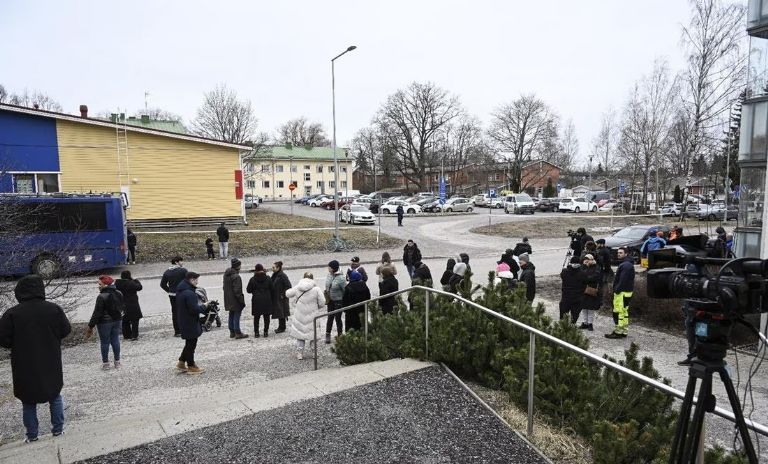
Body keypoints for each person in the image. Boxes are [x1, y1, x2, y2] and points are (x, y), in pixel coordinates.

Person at [0, 275, 71, 443]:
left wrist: (17, 344)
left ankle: (32, 435)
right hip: (50, 359)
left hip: (24, 363)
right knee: (54, 394)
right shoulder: (54, 309)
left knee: (28, 399)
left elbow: (3, 339)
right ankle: (58, 430)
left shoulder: (12, 314)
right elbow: (66, 330)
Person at [86, 275, 124, 370]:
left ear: (106, 284)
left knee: (104, 342)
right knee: (115, 340)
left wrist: (90, 326)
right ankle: (117, 362)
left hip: (104, 323)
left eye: (100, 284)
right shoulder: (119, 293)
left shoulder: (101, 296)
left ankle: (106, 363)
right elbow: (123, 307)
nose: (98, 286)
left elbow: (97, 313)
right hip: (116, 320)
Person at [175, 272, 209, 374]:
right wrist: (205, 306)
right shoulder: (189, 293)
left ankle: (181, 363)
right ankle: (191, 366)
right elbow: (194, 309)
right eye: (196, 280)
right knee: (191, 344)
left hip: (184, 319)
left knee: (189, 343)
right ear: (192, 280)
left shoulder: (181, 289)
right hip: (190, 321)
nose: (197, 282)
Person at [287, 272, 326, 360]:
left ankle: (300, 354)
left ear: (303, 278)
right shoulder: (316, 289)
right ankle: (314, 353)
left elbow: (288, 294)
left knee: (300, 335)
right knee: (313, 335)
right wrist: (316, 307)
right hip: (313, 315)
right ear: (312, 279)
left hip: (299, 315)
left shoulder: (298, 287)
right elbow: (322, 302)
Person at [606, 246, 634, 339]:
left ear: (626, 254)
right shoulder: (628, 264)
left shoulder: (625, 265)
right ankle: (624, 331)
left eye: (621, 253)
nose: (618, 254)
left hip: (621, 292)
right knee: (624, 312)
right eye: (618, 252)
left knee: (618, 312)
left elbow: (623, 280)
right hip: (627, 292)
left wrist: (617, 290)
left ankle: (618, 332)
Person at [160, 256, 187, 337]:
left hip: (172, 295)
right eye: (181, 261)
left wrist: (169, 290)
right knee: (184, 311)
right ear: (176, 262)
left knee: (175, 313)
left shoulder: (167, 272)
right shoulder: (183, 271)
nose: (182, 263)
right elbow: (188, 281)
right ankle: (185, 328)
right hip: (182, 294)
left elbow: (162, 284)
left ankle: (177, 331)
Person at [247, 264, 274, 338]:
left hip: (256, 300)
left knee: (256, 317)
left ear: (255, 270)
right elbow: (272, 288)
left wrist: (254, 291)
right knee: (266, 317)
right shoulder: (268, 278)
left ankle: (256, 333)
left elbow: (248, 290)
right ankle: (266, 332)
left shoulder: (252, 279)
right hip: (267, 299)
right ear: (262, 269)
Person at [223, 258, 248, 339]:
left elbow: (224, 287)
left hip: (228, 298)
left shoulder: (226, 274)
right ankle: (238, 332)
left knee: (231, 314)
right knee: (237, 314)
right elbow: (238, 291)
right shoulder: (236, 276)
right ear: (238, 266)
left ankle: (232, 331)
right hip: (235, 299)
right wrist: (241, 301)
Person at [115, 271, 143, 341]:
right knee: (135, 320)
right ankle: (134, 335)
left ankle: (127, 335)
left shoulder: (117, 283)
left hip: (122, 304)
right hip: (133, 304)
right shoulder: (131, 283)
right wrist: (136, 281)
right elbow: (139, 287)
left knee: (125, 320)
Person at [324, 260, 346, 343]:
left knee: (338, 318)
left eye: (329, 267)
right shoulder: (329, 275)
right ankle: (328, 334)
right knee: (330, 317)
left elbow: (345, 290)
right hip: (330, 300)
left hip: (338, 301)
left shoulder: (341, 278)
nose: (328, 268)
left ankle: (340, 335)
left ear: (333, 268)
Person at [559, 256, 585, 322]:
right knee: (574, 317)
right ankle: (572, 328)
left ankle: (563, 329)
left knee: (563, 317)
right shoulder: (582, 273)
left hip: (566, 297)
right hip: (577, 298)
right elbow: (585, 284)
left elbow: (562, 275)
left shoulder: (565, 272)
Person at [579, 254, 601, 331]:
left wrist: (587, 278)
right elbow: (580, 275)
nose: (586, 260)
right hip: (583, 290)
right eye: (585, 259)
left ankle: (590, 323)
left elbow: (596, 277)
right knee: (584, 307)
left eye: (588, 259)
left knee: (590, 308)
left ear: (592, 259)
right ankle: (585, 322)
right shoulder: (582, 266)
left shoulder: (596, 267)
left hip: (591, 289)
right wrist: (585, 266)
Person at [271, 261, 292, 334]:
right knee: (279, 311)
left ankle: (282, 327)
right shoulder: (275, 275)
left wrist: (283, 294)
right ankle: (281, 326)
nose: (272, 269)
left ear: (278, 268)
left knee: (281, 312)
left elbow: (288, 286)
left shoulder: (283, 275)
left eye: (273, 267)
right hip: (277, 296)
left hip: (281, 297)